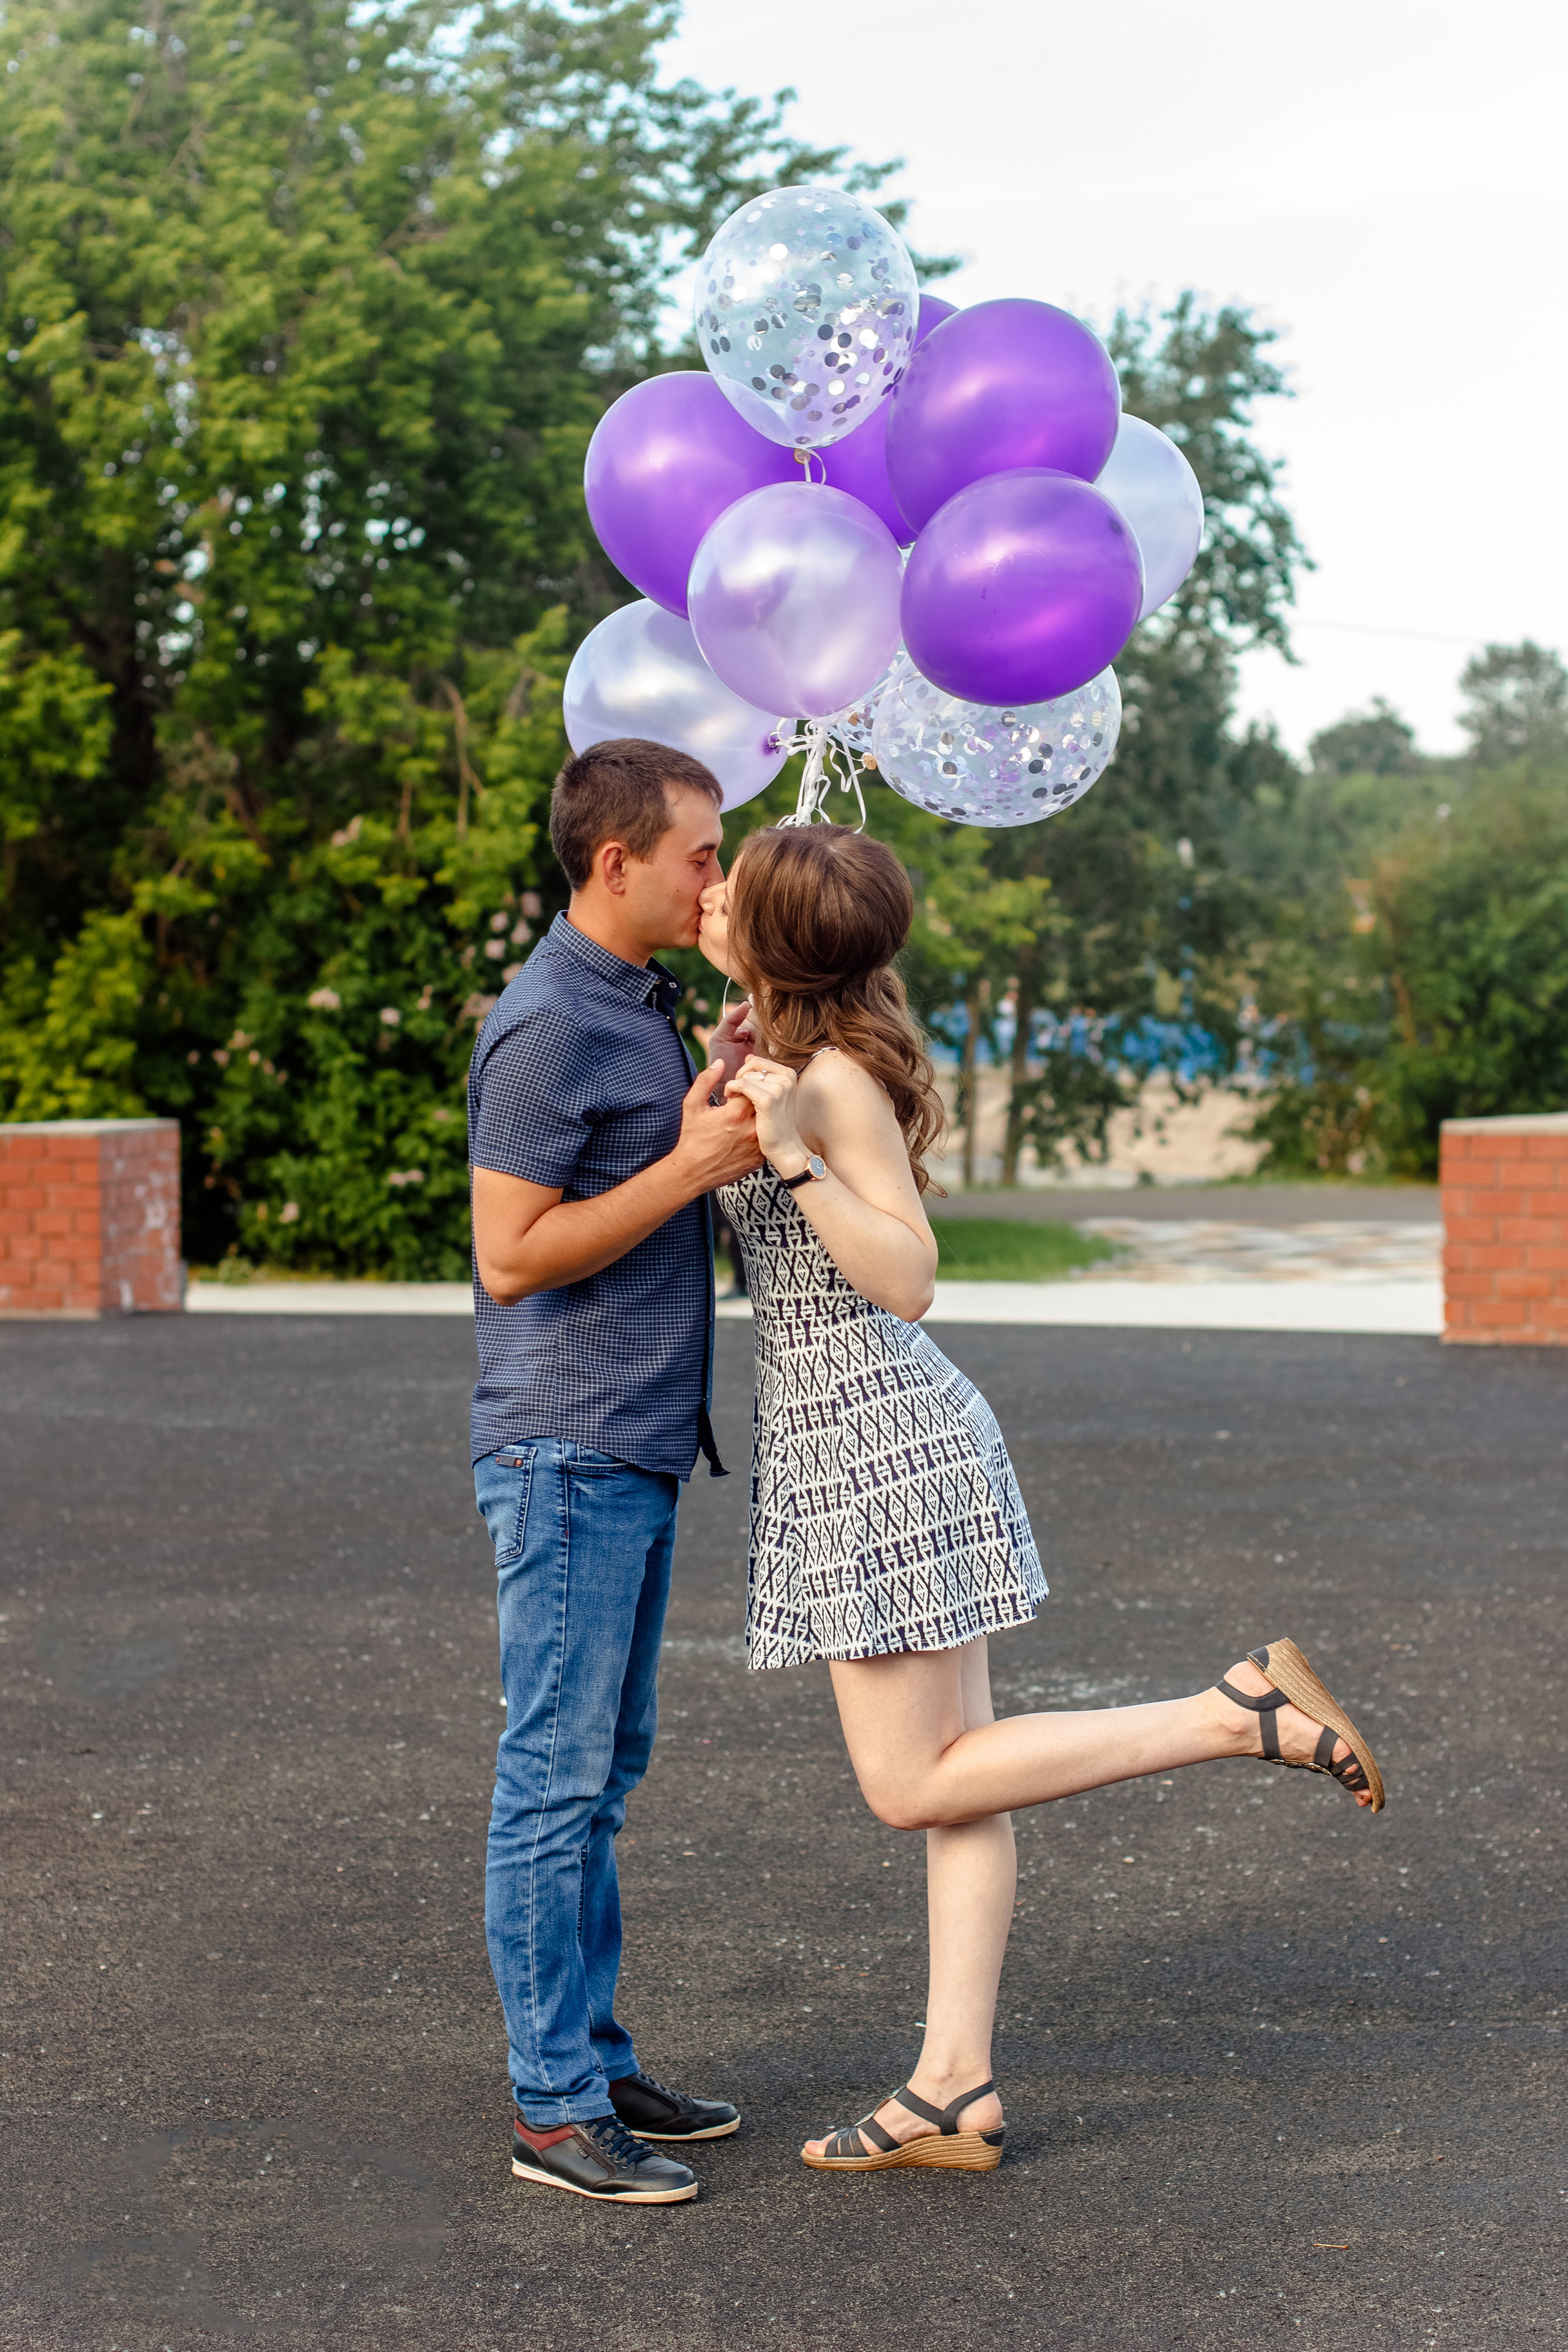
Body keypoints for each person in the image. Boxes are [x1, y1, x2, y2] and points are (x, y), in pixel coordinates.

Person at [696, 822, 1385, 2177]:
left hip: (876, 1442)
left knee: (910, 1786)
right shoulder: (791, 1059)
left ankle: (1232, 1712)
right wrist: (740, 1070)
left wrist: (790, 1155)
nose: (709, 892)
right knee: (964, 1781)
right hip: (868, 1434)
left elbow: (907, 1276)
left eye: (734, 885)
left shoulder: (825, 1085)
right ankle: (952, 2087)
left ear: (774, 935)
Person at [467, 737, 763, 2206]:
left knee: (598, 1779)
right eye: (700, 855)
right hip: (567, 1446)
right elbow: (510, 1255)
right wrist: (689, 1170)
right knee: (553, 1781)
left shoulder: (633, 1005)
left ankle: (590, 2054)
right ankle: (554, 2112)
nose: (716, 878)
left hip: (626, 1445)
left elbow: (628, 1168)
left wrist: (712, 1084)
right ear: (615, 862)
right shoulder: (548, 1022)